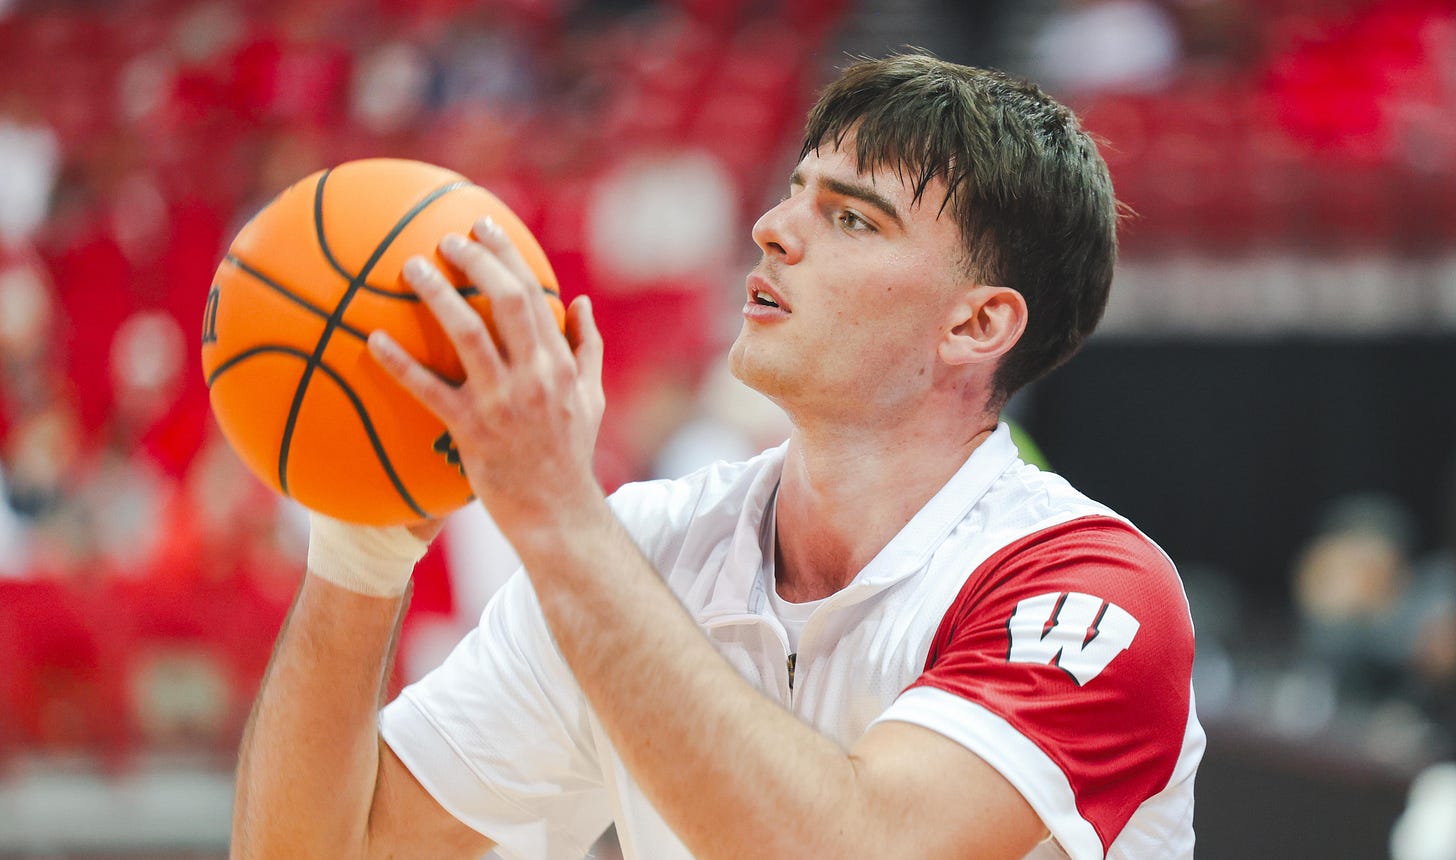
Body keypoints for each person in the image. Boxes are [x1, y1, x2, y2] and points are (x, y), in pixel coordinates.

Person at [232, 52, 1203, 860]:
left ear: (977, 321)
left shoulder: (1090, 591)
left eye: (852, 216)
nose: (773, 230)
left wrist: (557, 512)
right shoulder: (640, 547)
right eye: (794, 194)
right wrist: (362, 545)